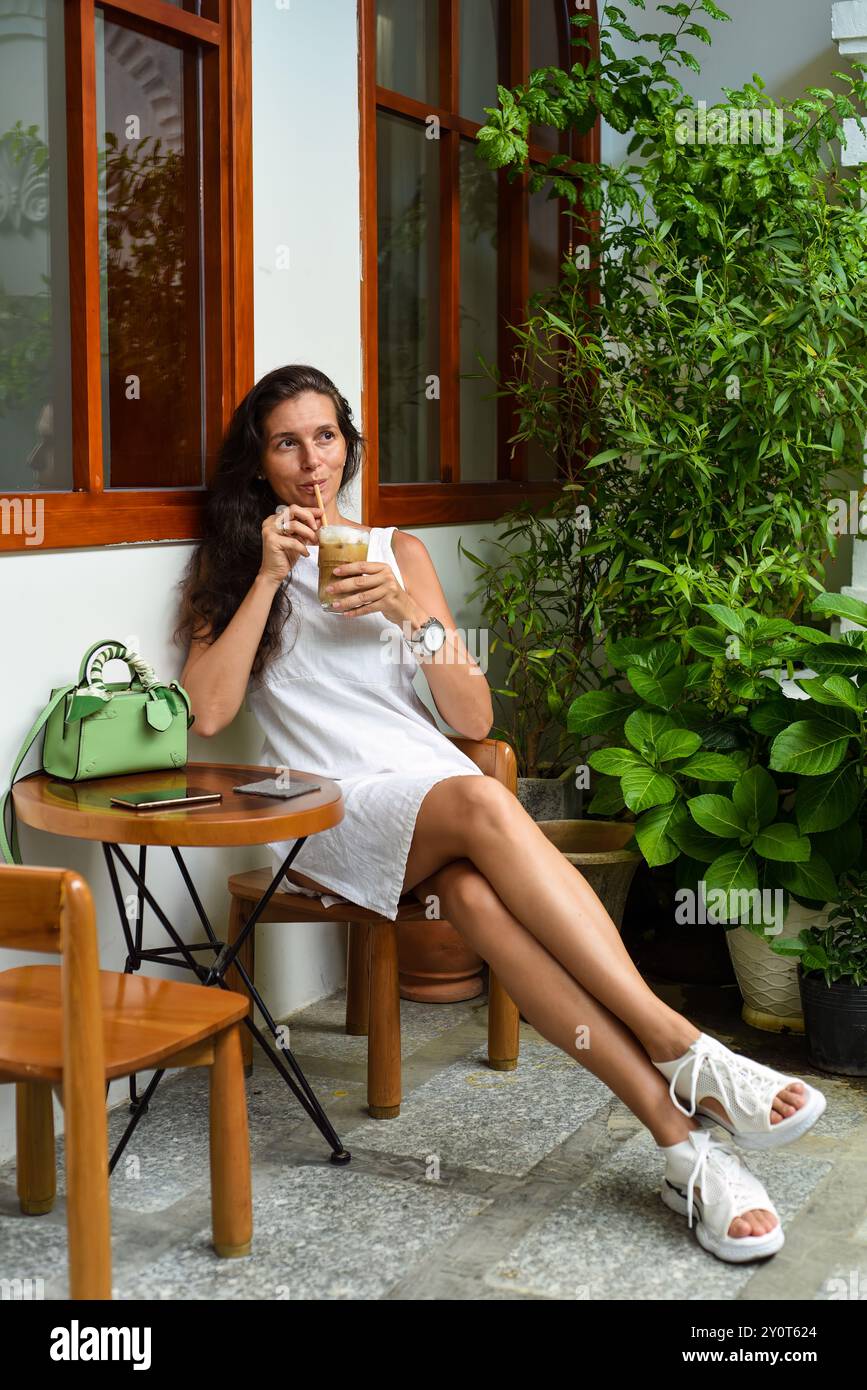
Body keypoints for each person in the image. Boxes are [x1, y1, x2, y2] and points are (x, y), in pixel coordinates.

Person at [175, 364, 827, 1266]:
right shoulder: (236, 568)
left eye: (324, 437)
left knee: (479, 900)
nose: (310, 460)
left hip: (428, 794)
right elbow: (207, 711)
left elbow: (472, 720)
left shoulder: (397, 552)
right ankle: (680, 1044)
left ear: (348, 448)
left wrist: (411, 614)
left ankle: (683, 1150)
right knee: (482, 797)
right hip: (330, 813)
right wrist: (266, 576)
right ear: (259, 465)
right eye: (286, 442)